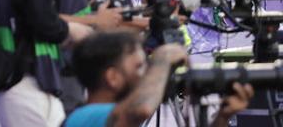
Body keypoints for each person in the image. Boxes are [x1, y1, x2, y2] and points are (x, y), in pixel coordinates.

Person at [65, 32, 251, 127]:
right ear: (112, 77)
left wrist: (222, 117)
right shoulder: (85, 119)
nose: (147, 74)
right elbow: (141, 108)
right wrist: (161, 61)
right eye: (139, 67)